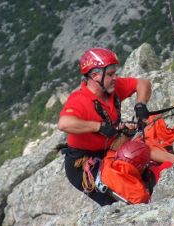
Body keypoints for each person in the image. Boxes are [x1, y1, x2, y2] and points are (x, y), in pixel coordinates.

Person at [58, 47, 152, 206]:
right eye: (110, 74)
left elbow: (143, 83)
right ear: (94, 76)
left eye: (114, 73)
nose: (115, 78)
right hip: (83, 165)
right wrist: (98, 127)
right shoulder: (80, 100)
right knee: (120, 203)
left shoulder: (111, 89)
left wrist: (140, 104)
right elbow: (64, 123)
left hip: (108, 152)